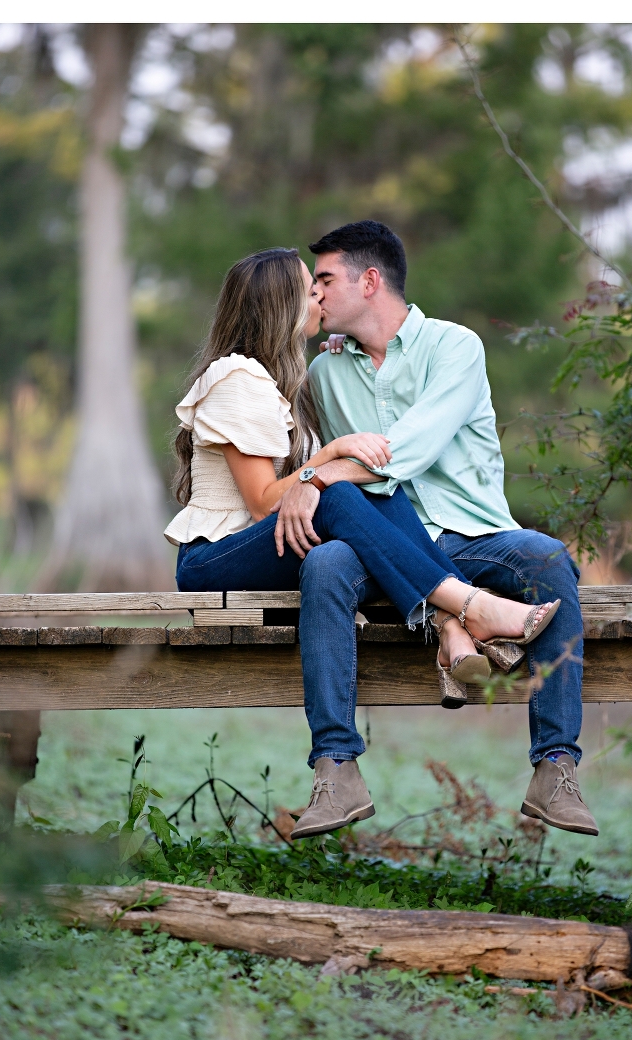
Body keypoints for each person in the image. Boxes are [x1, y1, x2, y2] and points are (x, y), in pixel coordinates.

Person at [167, 247, 559, 839]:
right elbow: (262, 503)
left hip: (264, 542)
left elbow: (302, 493)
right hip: (213, 559)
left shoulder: (278, 379)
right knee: (348, 491)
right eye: (309, 288)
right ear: (279, 304)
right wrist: (326, 459)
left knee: (373, 488)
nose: (319, 297)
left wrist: (328, 465)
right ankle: (471, 610)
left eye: (321, 285)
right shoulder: (238, 379)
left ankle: (453, 626)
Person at [272, 221, 599, 838]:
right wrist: (313, 475)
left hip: (476, 536)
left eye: (324, 280)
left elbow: (405, 453)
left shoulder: (456, 347)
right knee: (324, 565)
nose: (314, 295)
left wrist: (315, 478)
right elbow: (319, 462)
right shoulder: (323, 374)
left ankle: (556, 770)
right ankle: (336, 771)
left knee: (551, 559)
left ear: (370, 281)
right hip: (381, 541)